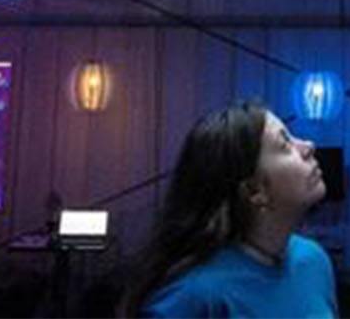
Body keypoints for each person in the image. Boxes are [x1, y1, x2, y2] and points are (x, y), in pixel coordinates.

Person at [125, 100, 335, 317]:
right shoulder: (193, 297)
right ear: (254, 191)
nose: (309, 145)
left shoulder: (313, 261)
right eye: (285, 145)